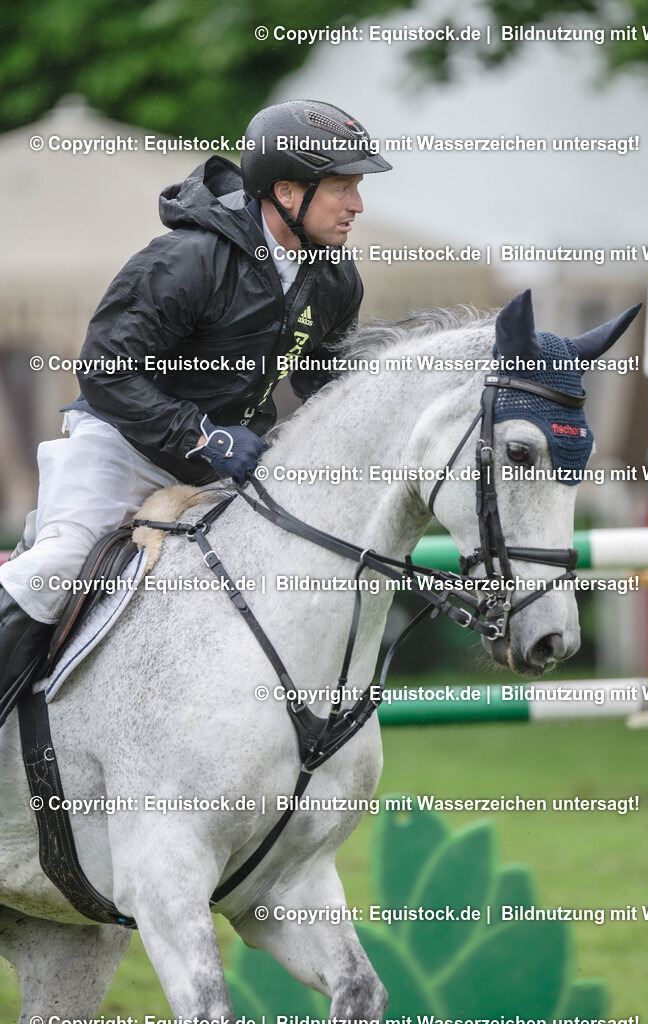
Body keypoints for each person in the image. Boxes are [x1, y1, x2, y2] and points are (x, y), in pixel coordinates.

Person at [0, 99, 392, 726]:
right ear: (287, 192)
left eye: (358, 188)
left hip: (224, 468)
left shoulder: (334, 279)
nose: (357, 205)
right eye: (342, 187)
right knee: (58, 567)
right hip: (121, 447)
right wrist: (203, 436)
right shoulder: (186, 260)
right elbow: (105, 371)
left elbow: (322, 381)